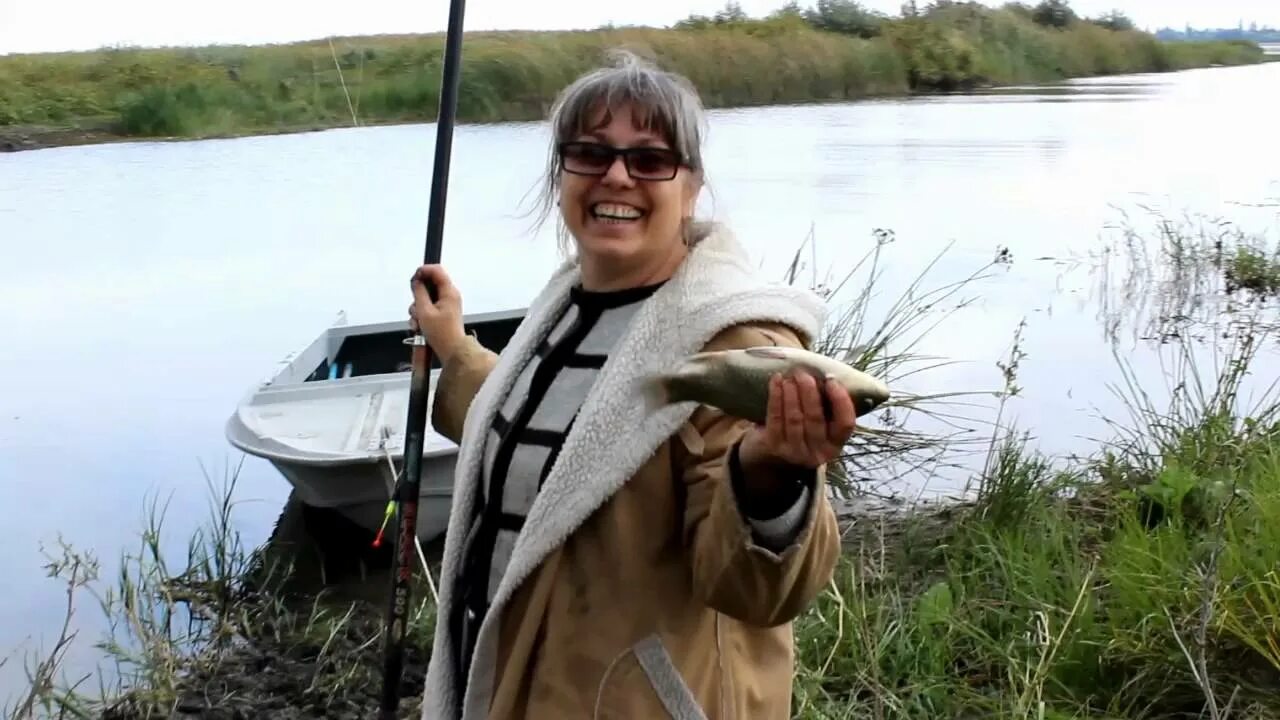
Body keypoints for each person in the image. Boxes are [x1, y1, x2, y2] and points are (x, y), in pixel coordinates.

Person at [408, 49, 855, 720]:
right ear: (562, 176)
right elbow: (542, 427)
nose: (616, 176)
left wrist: (770, 477)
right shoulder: (565, 306)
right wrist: (452, 343)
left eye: (649, 160)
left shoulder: (737, 343)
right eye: (589, 153)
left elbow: (755, 589)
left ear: (691, 186)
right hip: (511, 685)